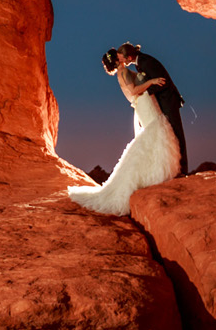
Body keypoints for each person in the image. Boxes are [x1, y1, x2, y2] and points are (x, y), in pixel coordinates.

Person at [67, 48, 182, 215]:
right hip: (143, 101)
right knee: (155, 130)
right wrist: (151, 82)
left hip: (143, 102)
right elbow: (134, 91)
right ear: (118, 59)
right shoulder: (124, 72)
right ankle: (153, 173)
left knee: (154, 132)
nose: (123, 57)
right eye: (120, 55)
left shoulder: (123, 72)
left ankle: (154, 171)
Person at [117, 42, 187, 174]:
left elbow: (163, 82)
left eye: (122, 58)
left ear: (129, 57)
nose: (121, 61)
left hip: (168, 101)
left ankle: (182, 170)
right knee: (169, 133)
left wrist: (147, 92)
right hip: (161, 101)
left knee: (177, 134)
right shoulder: (140, 62)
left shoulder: (146, 62)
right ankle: (174, 168)